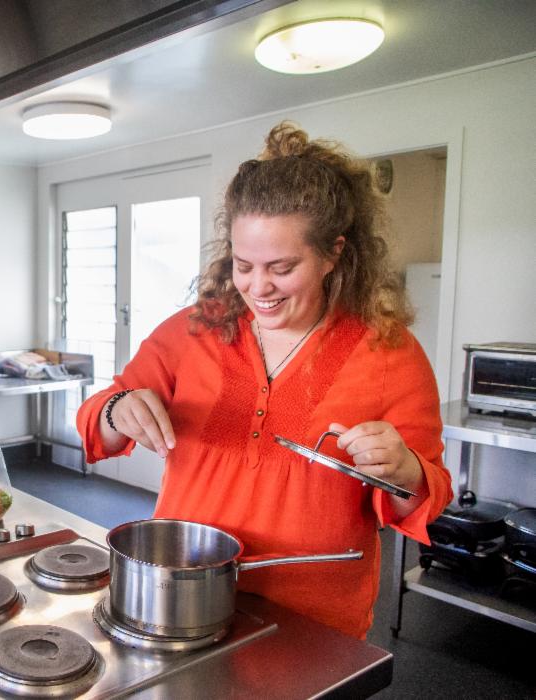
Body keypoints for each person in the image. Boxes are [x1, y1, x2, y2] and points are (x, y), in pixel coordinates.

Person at [76, 122, 452, 640]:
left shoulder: (390, 354)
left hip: (314, 618)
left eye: (281, 266)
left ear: (334, 253)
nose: (258, 287)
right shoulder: (195, 329)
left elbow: (425, 498)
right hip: (180, 593)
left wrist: (406, 470)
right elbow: (99, 418)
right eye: (243, 264)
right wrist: (118, 410)